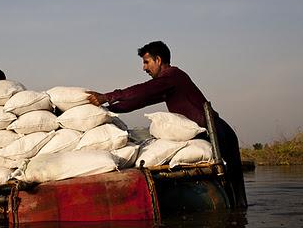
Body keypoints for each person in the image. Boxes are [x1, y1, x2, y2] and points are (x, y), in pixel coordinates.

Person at [87, 41, 248, 208]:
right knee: (230, 192)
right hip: (208, 133)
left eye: (146, 62)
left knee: (235, 192)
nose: (144, 68)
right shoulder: (166, 85)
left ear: (158, 60)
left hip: (219, 132)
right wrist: (108, 109)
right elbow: (139, 101)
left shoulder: (173, 76)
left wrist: (108, 96)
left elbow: (143, 90)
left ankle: (237, 224)